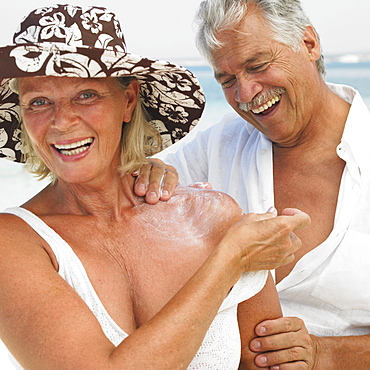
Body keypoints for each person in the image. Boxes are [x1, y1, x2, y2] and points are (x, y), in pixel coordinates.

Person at [0, 4, 311, 369]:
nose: (63, 121)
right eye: (39, 102)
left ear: (128, 101)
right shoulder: (15, 243)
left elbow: (267, 363)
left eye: (86, 95)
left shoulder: (213, 217)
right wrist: (228, 262)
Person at [134, 0, 370, 368]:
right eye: (227, 81)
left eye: (257, 66)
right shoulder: (217, 145)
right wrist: (144, 171)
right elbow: (133, 196)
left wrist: (328, 353)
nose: (245, 94)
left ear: (309, 44)